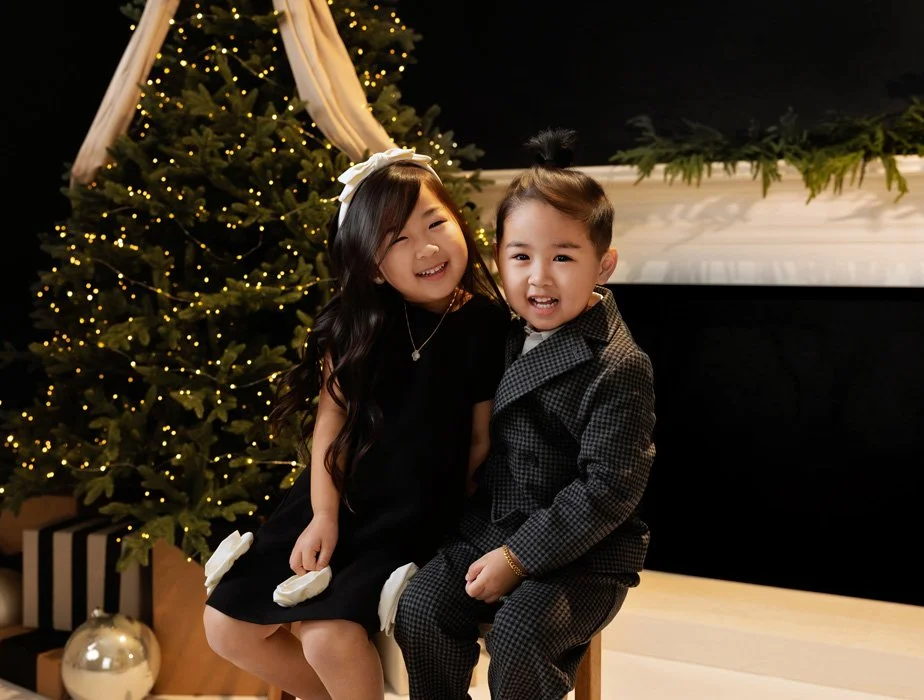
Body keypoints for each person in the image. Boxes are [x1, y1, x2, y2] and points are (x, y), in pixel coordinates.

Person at [202, 148, 510, 700]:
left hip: (412, 517)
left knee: (326, 639)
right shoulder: (356, 326)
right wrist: (322, 515)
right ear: (371, 264)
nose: (428, 248)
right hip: (336, 499)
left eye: (435, 223)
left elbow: (481, 438)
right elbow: (330, 427)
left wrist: (463, 523)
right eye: (397, 240)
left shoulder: (486, 325)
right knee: (223, 625)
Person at [395, 128, 657, 700]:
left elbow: (609, 490)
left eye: (563, 257)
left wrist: (518, 558)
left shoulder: (617, 364)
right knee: (421, 608)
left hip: (582, 554)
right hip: (491, 525)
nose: (539, 277)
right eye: (521, 257)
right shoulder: (500, 332)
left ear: (604, 265)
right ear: (499, 259)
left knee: (519, 634)